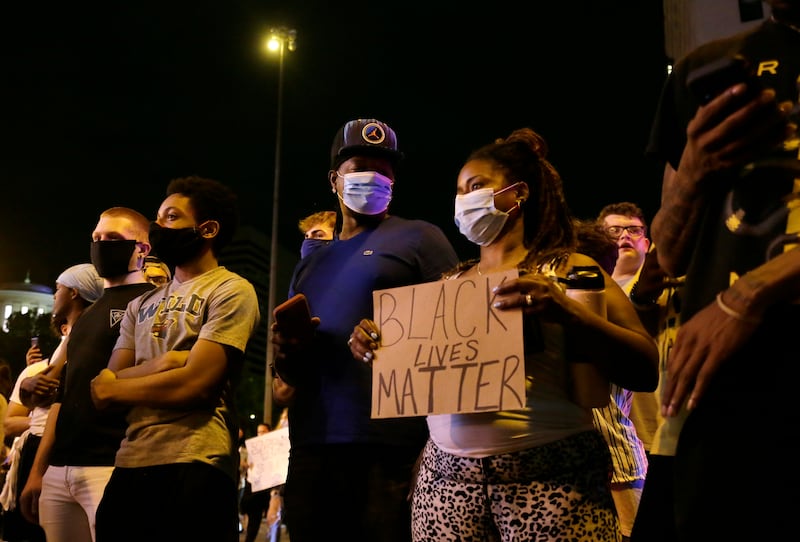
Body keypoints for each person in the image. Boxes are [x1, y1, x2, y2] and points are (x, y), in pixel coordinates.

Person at [348, 127, 658, 541]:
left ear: (518, 194)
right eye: (459, 191)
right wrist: (374, 346)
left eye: (476, 186)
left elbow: (645, 366)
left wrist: (568, 313)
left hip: (553, 486)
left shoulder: (568, 269)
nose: (464, 201)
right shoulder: (448, 284)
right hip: (445, 489)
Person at [646, 1, 799, 539]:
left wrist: (749, 294)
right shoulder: (706, 66)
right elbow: (668, 254)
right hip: (727, 383)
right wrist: (693, 169)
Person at [270, 118, 459, 542]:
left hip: (388, 448)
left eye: (384, 168)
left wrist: (398, 339)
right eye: (360, 166)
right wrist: (286, 356)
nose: (372, 176)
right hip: (312, 445)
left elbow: (459, 329)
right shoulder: (311, 263)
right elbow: (287, 379)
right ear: (334, 179)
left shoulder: (419, 238)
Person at [90, 176, 260, 542]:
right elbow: (103, 388)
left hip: (196, 463)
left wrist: (119, 385)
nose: (157, 227)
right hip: (131, 461)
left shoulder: (231, 290)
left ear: (208, 229)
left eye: (170, 218)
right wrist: (167, 364)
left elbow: (196, 386)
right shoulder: (140, 304)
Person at [18, 208, 154, 542]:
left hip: (111, 465)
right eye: (97, 238)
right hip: (61, 469)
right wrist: (39, 471)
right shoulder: (88, 315)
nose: (102, 244)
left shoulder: (152, 302)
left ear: (142, 249)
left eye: (113, 239)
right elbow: (63, 398)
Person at [2, 263, 103, 542]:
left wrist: (37, 471)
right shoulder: (65, 345)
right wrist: (29, 386)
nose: (54, 296)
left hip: (65, 454)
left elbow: (54, 401)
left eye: (58, 289)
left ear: (73, 293)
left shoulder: (86, 340)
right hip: (46, 449)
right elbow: (37, 395)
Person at [239, 422, 272, 542]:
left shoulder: (273, 448)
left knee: (260, 518)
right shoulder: (252, 446)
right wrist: (246, 465)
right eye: (259, 432)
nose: (261, 434)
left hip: (265, 488)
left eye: (264, 431)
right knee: (250, 514)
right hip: (251, 485)